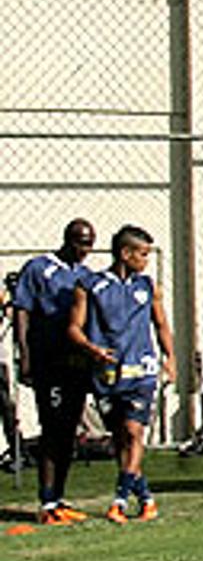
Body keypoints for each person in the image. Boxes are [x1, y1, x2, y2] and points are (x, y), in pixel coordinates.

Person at [68, 224, 173, 524]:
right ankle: (146, 499)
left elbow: (161, 325)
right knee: (119, 439)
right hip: (107, 374)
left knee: (134, 431)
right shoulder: (89, 285)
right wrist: (92, 349)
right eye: (142, 254)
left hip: (141, 371)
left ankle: (119, 500)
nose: (146, 261)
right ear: (125, 254)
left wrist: (171, 358)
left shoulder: (148, 286)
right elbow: (74, 328)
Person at [10, 220, 96, 523]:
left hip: (75, 364)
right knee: (52, 430)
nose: (85, 250)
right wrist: (25, 354)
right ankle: (46, 503)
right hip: (48, 362)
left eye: (89, 244)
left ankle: (58, 498)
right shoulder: (38, 268)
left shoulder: (85, 276)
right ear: (68, 240)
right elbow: (22, 310)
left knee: (70, 432)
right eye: (81, 243)